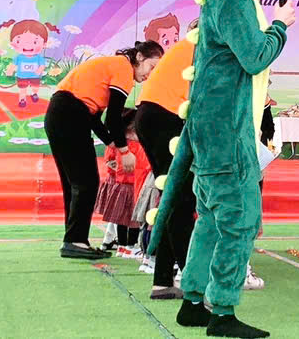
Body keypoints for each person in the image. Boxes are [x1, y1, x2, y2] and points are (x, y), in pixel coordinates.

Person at [147, 0, 294, 339]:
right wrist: (281, 26)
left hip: (217, 125)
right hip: (226, 129)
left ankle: (193, 302)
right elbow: (254, 56)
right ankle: (223, 312)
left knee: (213, 217)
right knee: (240, 217)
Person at [45, 41, 162, 259]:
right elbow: (113, 118)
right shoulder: (123, 69)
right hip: (70, 115)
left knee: (74, 183)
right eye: (151, 66)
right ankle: (75, 241)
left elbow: (96, 119)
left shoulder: (113, 65)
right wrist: (125, 151)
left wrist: (111, 143)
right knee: (86, 182)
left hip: (62, 113)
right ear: (139, 57)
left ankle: (73, 239)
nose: (150, 74)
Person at [136, 19, 199, 299]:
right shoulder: (203, 45)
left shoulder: (190, 46)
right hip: (164, 118)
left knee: (174, 199)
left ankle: (163, 280)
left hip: (153, 116)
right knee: (182, 200)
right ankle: (193, 280)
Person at [96, 109, 150, 254]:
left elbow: (111, 162)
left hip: (124, 184)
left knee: (122, 218)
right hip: (132, 185)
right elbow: (143, 165)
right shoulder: (134, 145)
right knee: (130, 219)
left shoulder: (122, 144)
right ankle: (129, 246)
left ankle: (122, 246)